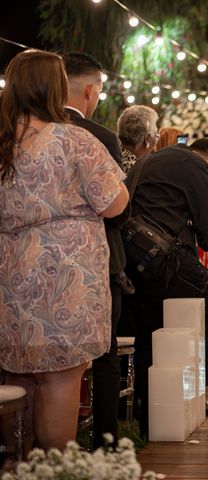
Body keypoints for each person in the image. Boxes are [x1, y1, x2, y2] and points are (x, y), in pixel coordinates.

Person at [0, 49, 128, 451]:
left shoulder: (2, 142)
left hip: (10, 276)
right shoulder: (74, 140)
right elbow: (115, 203)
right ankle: (56, 470)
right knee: (61, 376)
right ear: (55, 87)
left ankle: (19, 468)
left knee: (18, 376)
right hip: (64, 275)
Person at [124, 138, 208, 435]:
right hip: (166, 259)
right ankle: (192, 395)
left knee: (148, 336)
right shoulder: (196, 165)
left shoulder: (153, 159)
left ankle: (149, 421)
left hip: (131, 257)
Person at [62, 51, 131, 449]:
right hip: (97, 265)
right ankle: (105, 442)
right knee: (102, 354)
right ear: (91, 89)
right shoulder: (99, 137)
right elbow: (117, 211)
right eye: (101, 89)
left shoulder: (23, 133)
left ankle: (39, 454)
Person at [117, 105, 160, 173]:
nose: (158, 137)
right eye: (156, 133)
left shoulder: (112, 156)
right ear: (147, 139)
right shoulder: (140, 169)